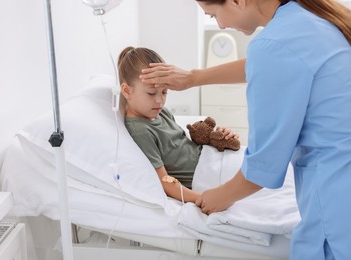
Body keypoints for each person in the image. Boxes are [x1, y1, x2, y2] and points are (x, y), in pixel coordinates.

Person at [139, 0, 351, 259]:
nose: (221, 25)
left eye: (214, 14)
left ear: (239, 2)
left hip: (338, 196)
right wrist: (194, 78)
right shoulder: (307, 16)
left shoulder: (274, 46)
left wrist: (218, 197)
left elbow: (264, 165)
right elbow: (278, 60)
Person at [117, 46, 239, 203]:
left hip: (210, 158)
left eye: (164, 92)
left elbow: (182, 147)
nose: (159, 100)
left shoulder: (161, 112)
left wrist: (217, 140)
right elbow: (164, 181)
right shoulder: (140, 131)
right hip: (204, 174)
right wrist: (202, 199)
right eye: (151, 93)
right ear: (127, 91)